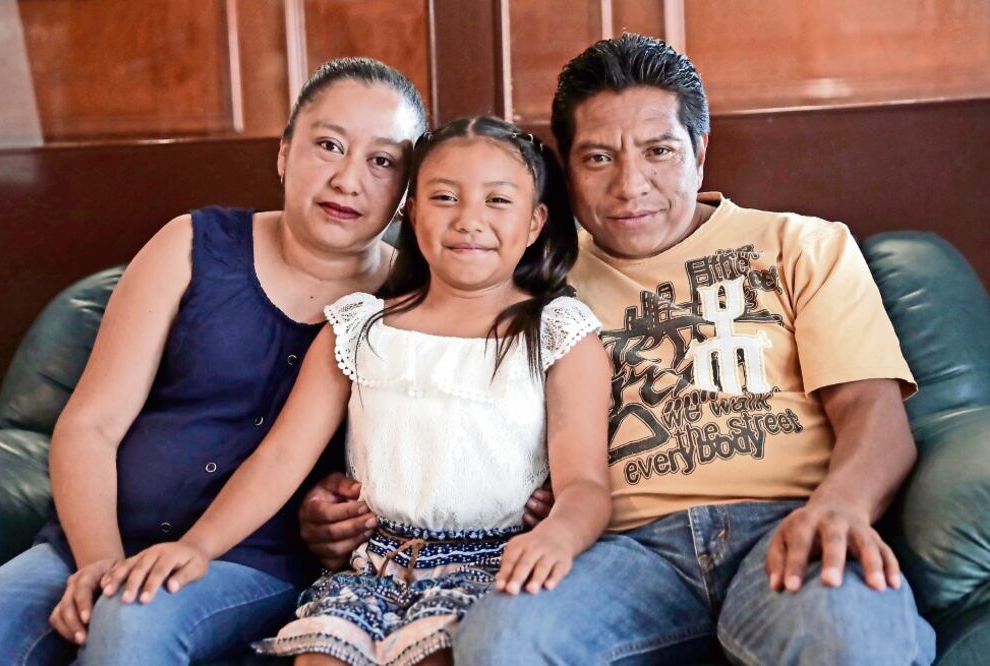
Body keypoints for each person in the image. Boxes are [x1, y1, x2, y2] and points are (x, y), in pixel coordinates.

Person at [310, 36, 939, 664]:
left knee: (852, 637)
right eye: (597, 158)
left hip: (785, 524)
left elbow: (872, 416)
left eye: (659, 151)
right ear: (563, 173)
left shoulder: (802, 245)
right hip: (622, 553)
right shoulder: (529, 277)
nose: (630, 185)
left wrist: (840, 508)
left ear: (699, 151)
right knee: (504, 640)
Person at [98, 114, 612, 666]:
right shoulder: (358, 326)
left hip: (493, 568)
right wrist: (196, 547)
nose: (469, 221)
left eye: (497, 201)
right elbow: (279, 458)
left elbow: (585, 482)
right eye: (444, 197)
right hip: (370, 569)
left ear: (535, 222)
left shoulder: (559, 332)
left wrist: (558, 536)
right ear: (411, 212)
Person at [0, 57, 430, 665]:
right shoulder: (190, 245)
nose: (348, 179)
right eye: (328, 145)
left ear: (406, 190)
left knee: (133, 624)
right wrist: (98, 564)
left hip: (257, 562)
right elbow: (90, 424)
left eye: (382, 161)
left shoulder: (413, 304)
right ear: (283, 153)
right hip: (93, 539)